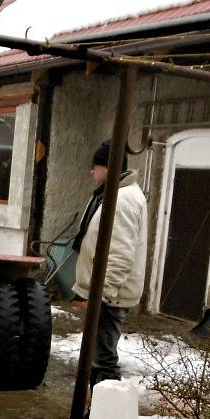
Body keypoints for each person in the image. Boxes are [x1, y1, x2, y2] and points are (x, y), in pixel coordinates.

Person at [72, 139, 148, 390]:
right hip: (107, 293)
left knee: (103, 357)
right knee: (98, 353)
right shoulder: (113, 194)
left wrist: (102, 292)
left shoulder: (123, 199)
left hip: (111, 296)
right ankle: (96, 408)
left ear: (108, 167)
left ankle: (105, 412)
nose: (92, 170)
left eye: (95, 166)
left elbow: (120, 253)